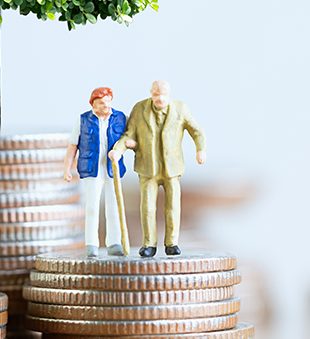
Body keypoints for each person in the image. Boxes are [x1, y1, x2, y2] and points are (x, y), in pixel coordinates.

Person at [110, 80, 206, 257]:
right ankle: (149, 244)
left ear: (168, 94)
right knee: (147, 207)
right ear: (151, 93)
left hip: (172, 169)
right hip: (148, 169)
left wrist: (200, 149)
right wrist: (118, 149)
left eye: (163, 94)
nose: (160, 98)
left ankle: (172, 243)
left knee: (173, 206)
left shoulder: (180, 108)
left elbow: (197, 130)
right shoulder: (139, 109)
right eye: (156, 94)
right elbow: (129, 134)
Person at [63, 87, 128, 257]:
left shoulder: (121, 118)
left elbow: (130, 139)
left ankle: (114, 243)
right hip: (92, 169)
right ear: (93, 104)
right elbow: (72, 146)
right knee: (92, 207)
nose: (106, 106)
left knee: (114, 207)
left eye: (108, 102)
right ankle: (91, 245)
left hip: (113, 169)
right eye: (101, 103)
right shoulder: (83, 119)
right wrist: (67, 168)